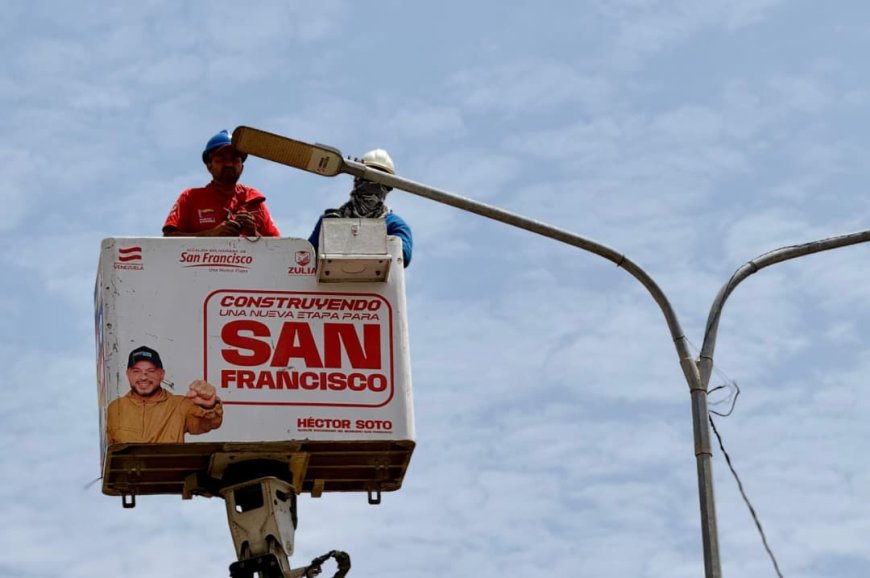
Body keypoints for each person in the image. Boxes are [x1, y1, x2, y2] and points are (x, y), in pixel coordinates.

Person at [163, 130, 281, 237]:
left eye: (235, 159)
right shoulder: (190, 197)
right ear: (209, 166)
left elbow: (280, 249)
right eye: (221, 159)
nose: (229, 164)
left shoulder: (255, 202)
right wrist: (211, 234)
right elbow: (168, 239)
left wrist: (253, 234)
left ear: (242, 167)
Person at [308, 148, 412, 267]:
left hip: (374, 284)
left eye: (380, 183)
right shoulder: (330, 221)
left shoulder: (393, 224)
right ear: (357, 180)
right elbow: (307, 256)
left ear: (387, 189)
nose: (372, 187)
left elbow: (403, 255)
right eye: (368, 179)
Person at [106, 346, 223, 444]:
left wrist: (209, 406)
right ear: (128, 374)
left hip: (169, 471)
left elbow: (208, 423)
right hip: (128, 472)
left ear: (161, 374)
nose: (143, 377)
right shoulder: (115, 408)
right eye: (136, 371)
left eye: (151, 371)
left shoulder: (180, 405)